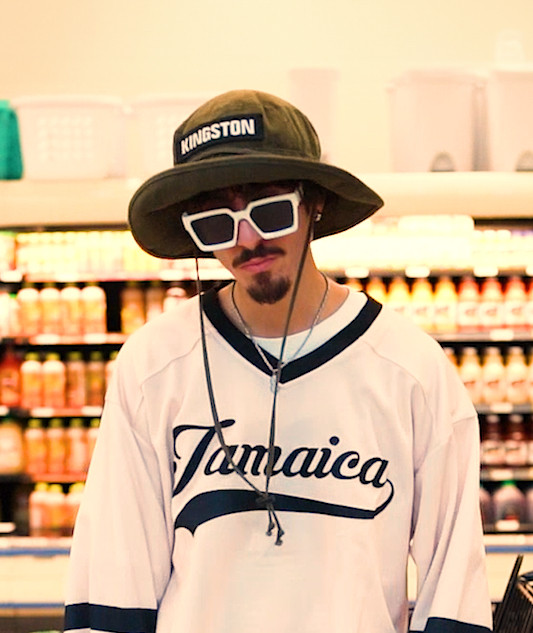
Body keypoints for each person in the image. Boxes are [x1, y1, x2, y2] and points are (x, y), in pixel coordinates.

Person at [64, 89, 492, 633]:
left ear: (314, 203)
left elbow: (453, 585)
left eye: (269, 210)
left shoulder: (410, 369)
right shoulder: (154, 365)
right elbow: (113, 576)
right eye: (215, 225)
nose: (247, 240)